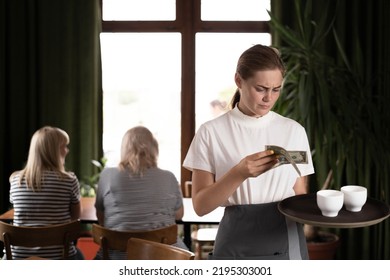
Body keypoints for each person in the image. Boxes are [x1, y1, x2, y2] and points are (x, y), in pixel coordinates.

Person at [183, 44, 315, 260]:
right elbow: (200, 206)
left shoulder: (294, 131)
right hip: (235, 243)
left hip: (286, 240)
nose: (268, 98)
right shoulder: (211, 132)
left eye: (276, 89)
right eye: (261, 88)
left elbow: (299, 192)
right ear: (238, 81)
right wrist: (239, 173)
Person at [94, 126, 186, 259]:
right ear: (154, 149)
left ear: (124, 149)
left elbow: (101, 217)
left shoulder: (107, 175)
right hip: (163, 256)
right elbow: (178, 215)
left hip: (116, 257)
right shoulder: (169, 177)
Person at [8, 126, 83, 260]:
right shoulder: (69, 180)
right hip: (60, 257)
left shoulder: (15, 180)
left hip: (19, 258)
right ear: (53, 151)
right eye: (64, 146)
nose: (67, 150)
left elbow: (19, 211)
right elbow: (75, 220)